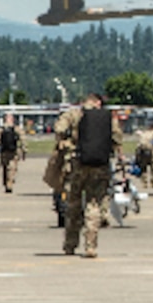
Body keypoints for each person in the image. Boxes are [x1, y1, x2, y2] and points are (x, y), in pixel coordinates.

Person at [53, 92, 122, 258]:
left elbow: (59, 129)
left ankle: (70, 244)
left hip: (78, 164)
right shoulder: (108, 118)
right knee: (94, 204)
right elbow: (117, 138)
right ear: (97, 102)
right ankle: (91, 246)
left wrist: (70, 142)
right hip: (100, 166)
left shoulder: (75, 114)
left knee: (73, 204)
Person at [0, 114, 25, 194]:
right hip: (14, 152)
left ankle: (6, 183)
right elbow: (23, 140)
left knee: (5, 168)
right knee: (12, 168)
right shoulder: (17, 129)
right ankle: (10, 184)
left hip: (4, 151)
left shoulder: (1, 129)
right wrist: (24, 150)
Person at [133, 125, 153, 190]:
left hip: (142, 152)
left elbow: (138, 145)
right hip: (151, 152)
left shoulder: (143, 134)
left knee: (143, 168)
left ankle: (144, 183)